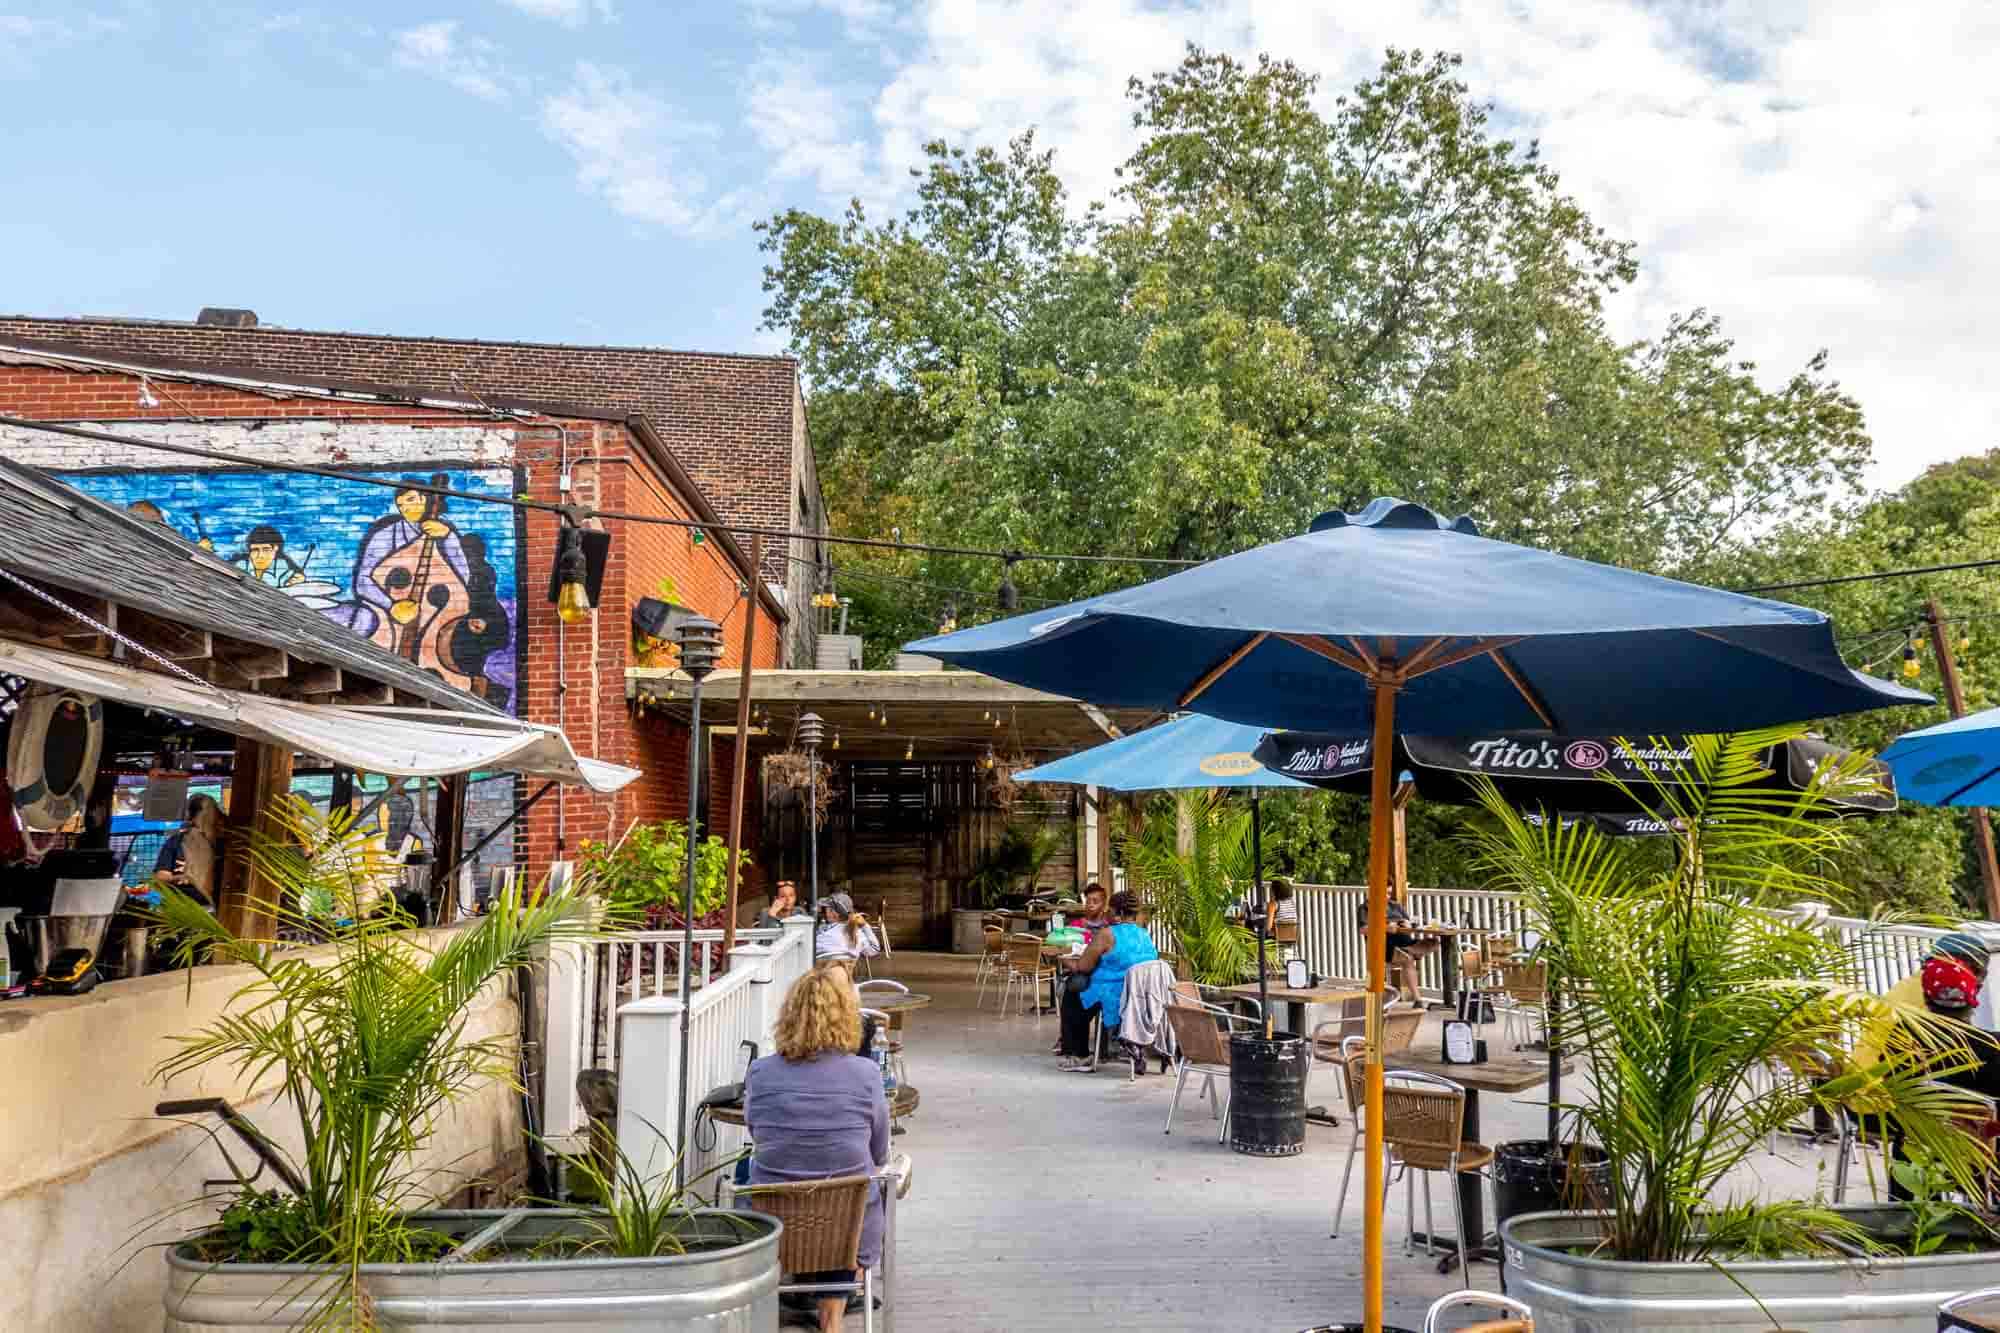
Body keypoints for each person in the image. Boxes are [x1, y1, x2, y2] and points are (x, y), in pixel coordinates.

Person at [744, 966, 890, 1331]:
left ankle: (780, 1295)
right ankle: (832, 1318)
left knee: (748, 1170)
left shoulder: (761, 1073)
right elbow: (880, 1149)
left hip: (775, 1222)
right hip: (845, 1224)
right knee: (856, 1184)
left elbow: (755, 1132)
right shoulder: (866, 1073)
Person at [1057, 889, 1159, 1072]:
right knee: (1082, 990)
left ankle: (1078, 1054)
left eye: (1110, 910)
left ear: (1118, 913)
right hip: (1139, 996)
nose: (1107, 913)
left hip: (1114, 994)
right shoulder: (1144, 935)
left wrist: (1065, 960)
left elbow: (1084, 966)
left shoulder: (1107, 934)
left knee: (1073, 993)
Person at [1358, 896, 1435, 1005]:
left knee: (1434, 943)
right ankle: (1418, 999)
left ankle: (1409, 950)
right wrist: (1385, 927)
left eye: (1389, 893)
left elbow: (1409, 922)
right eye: (1385, 892)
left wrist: (1408, 924)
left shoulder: (1395, 906)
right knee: (1408, 959)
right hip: (1385, 946)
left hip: (1404, 941)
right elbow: (1363, 930)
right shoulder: (1365, 908)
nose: (1387, 896)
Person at [150, 795, 222, 909]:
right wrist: (183, 877)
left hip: (211, 905)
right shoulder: (175, 842)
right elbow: (160, 877)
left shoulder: (221, 845)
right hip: (180, 905)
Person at [814, 892, 880, 964]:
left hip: (821, 971)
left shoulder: (822, 933)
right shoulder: (856, 933)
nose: (824, 911)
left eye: (826, 909)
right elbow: (874, 949)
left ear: (832, 912)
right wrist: (864, 925)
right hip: (845, 972)